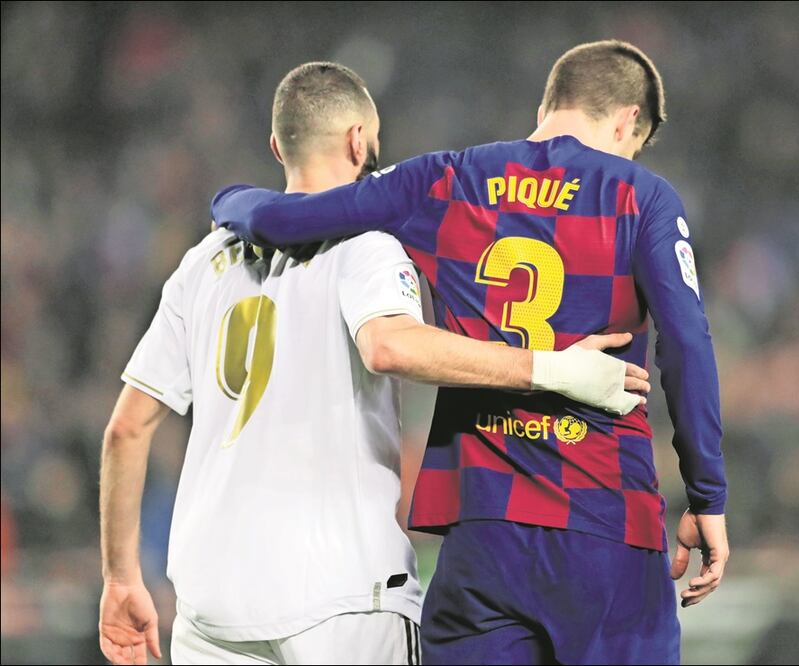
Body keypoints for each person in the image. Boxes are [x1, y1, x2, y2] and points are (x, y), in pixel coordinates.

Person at [99, 61, 649, 666]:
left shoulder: (203, 262)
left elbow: (126, 429)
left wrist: (120, 579)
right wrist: (553, 369)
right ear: (359, 141)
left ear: (278, 146)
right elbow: (390, 345)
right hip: (343, 593)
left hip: (211, 606)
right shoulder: (368, 244)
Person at [212, 41, 729, 665]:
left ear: (548, 106)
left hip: (482, 534)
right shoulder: (641, 196)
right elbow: (687, 342)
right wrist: (707, 495)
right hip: (603, 521)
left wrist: (226, 199)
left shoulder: (445, 180)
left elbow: (281, 219)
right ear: (628, 121)